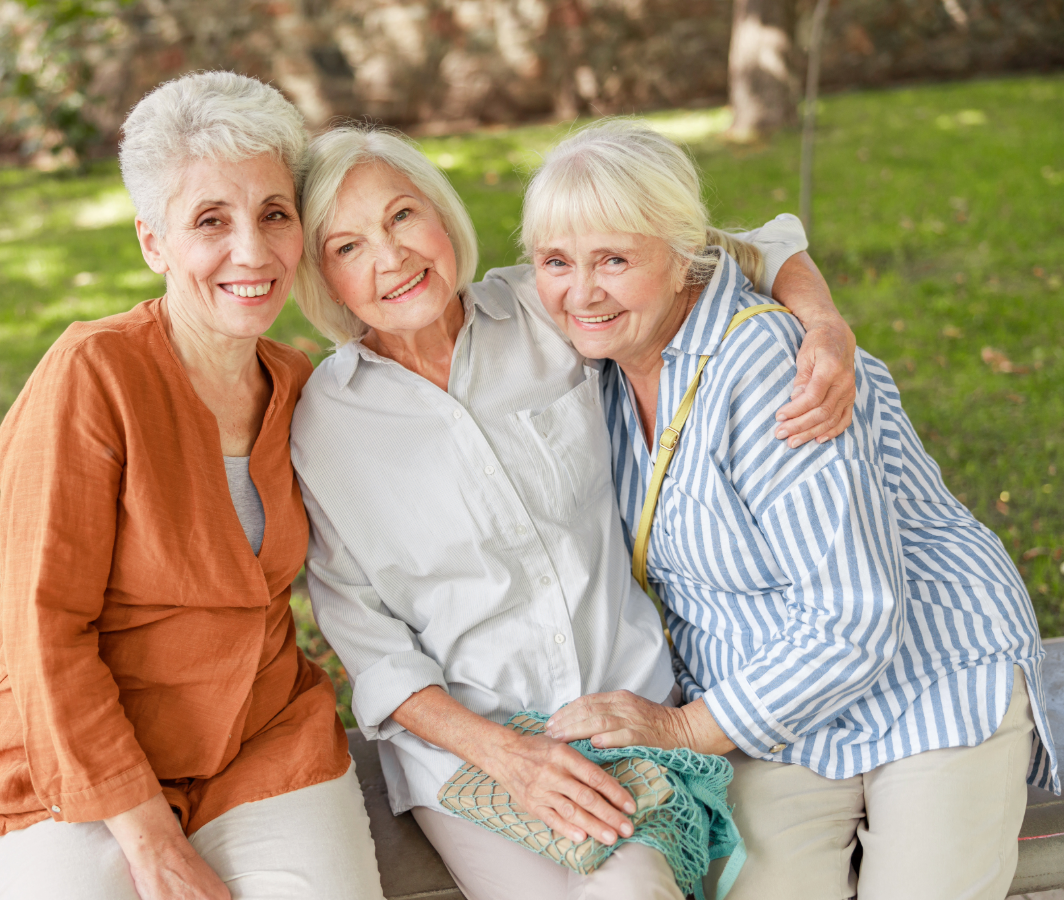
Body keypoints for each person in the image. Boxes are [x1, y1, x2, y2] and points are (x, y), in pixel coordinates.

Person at [288, 124, 856, 900]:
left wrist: (823, 324)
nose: (392, 258)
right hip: (472, 755)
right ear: (322, 277)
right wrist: (504, 755)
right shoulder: (324, 424)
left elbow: (748, 246)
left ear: (442, 215)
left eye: (401, 217)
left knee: (631, 891)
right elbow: (370, 643)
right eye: (347, 247)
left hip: (630, 718)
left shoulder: (553, 303)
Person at [533, 121, 1060, 900]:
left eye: (615, 259)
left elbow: (854, 614)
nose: (582, 291)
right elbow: (764, 237)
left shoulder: (769, 363)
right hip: (773, 701)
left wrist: (682, 728)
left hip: (927, 669)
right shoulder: (606, 355)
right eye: (556, 263)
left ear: (684, 256)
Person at [0, 72, 384, 900]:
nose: (252, 253)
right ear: (153, 242)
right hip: (73, 761)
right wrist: (149, 839)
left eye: (274, 214)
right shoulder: (92, 375)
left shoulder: (302, 387)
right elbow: (43, 633)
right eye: (210, 221)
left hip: (259, 740)